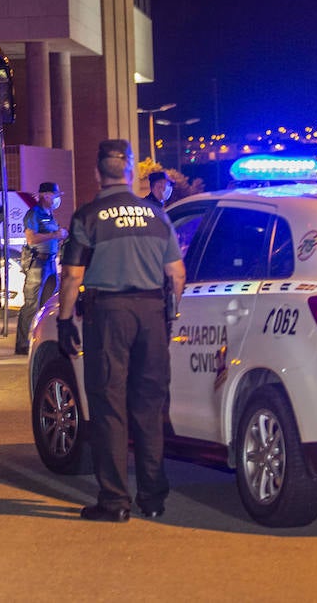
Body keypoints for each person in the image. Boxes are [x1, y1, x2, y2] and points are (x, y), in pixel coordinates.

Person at [56, 139, 187, 522]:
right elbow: (176, 274)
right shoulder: (156, 215)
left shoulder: (88, 216)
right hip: (151, 314)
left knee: (110, 406)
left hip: (109, 315)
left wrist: (65, 321)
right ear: (130, 173)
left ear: (98, 173)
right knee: (149, 406)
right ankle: (153, 497)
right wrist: (167, 315)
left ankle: (114, 501)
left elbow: (72, 275)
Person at [15, 181, 68, 354]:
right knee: (31, 304)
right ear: (46, 195)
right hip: (38, 263)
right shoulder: (34, 214)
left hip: (51, 263)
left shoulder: (50, 214)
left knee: (48, 305)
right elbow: (31, 239)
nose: (57, 200)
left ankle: (43, 341)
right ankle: (23, 344)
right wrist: (54, 234)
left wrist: (61, 235)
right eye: (55, 196)